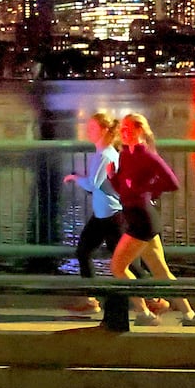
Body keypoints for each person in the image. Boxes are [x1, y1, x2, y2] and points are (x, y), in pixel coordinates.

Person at [109, 113, 195, 326]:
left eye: (127, 129)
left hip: (142, 220)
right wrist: (113, 177)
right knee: (161, 272)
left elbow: (172, 182)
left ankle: (144, 312)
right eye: (121, 129)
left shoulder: (148, 157)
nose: (123, 132)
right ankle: (190, 315)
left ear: (139, 130)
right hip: (135, 216)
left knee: (117, 267)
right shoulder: (125, 155)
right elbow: (123, 192)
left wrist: (147, 191)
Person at [63, 113, 125, 314]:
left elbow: (92, 184)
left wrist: (74, 177)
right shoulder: (104, 153)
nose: (88, 131)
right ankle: (91, 298)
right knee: (85, 252)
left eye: (92, 128)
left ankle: (153, 299)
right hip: (103, 214)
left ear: (104, 130)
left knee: (123, 263)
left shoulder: (105, 154)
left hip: (111, 216)